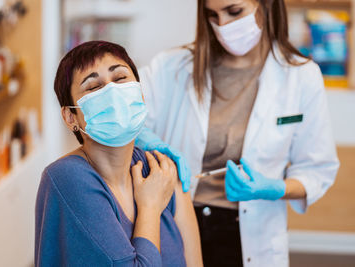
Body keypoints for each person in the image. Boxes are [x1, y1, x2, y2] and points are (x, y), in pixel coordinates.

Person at [135, 0, 340, 266]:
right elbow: (130, 116)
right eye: (212, 15)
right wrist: (143, 137)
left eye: (234, 12)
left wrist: (275, 188)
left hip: (249, 233)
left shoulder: (300, 77)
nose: (223, 26)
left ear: (266, 5)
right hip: (180, 222)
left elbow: (317, 170)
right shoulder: (171, 67)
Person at [35, 41, 203, 267]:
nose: (112, 91)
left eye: (121, 78)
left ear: (141, 94)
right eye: (93, 87)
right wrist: (150, 207)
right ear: (70, 117)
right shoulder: (67, 177)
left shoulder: (160, 170)